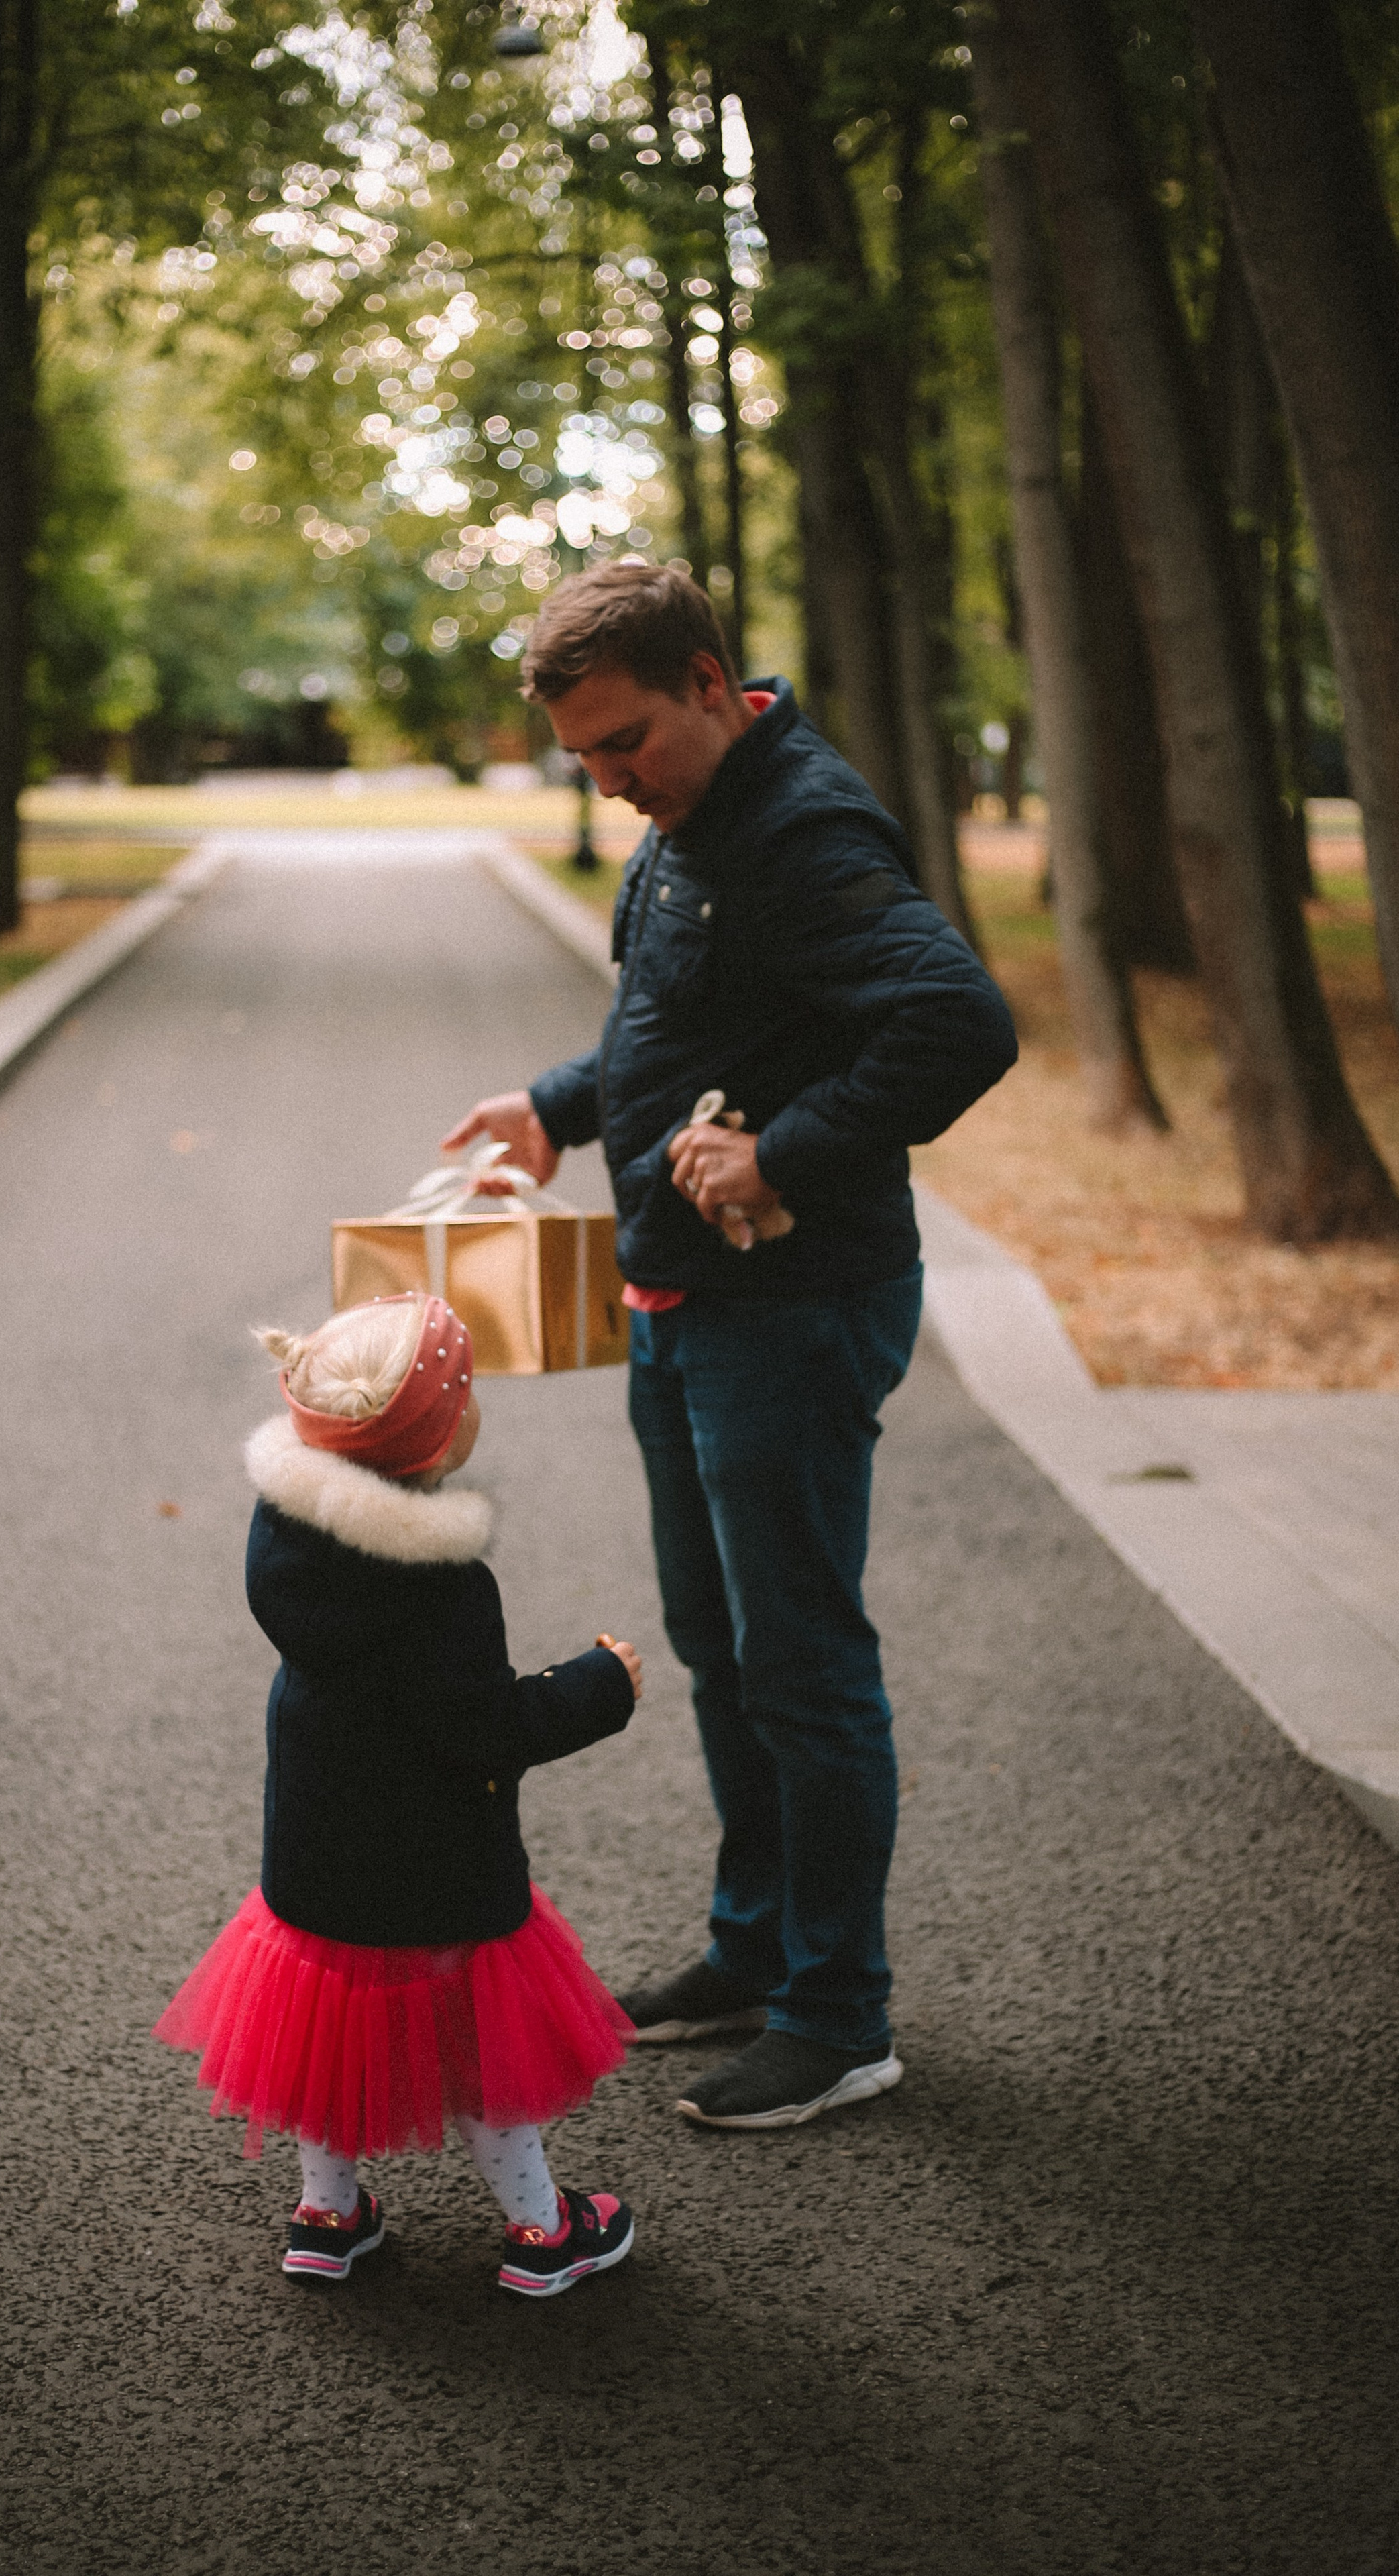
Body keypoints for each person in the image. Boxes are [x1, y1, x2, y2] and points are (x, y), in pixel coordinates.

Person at [443, 561, 1017, 2133]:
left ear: (709, 683)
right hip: (679, 1302)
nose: (608, 781)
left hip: (791, 1306)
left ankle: (840, 2018)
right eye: (581, 759)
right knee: (718, 1647)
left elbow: (960, 1020)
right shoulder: (688, 825)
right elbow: (678, 1027)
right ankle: (756, 1951)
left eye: (625, 742)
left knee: (802, 1665)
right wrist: (555, 1108)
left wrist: (788, 1151)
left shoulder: (800, 831)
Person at [154, 1291, 642, 2298]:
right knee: (478, 2049)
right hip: (435, 1865)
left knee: (328, 2035)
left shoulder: (285, 1536)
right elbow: (482, 1732)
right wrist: (595, 1687)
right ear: (439, 1436)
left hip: (320, 1848)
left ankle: (329, 2219)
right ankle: (545, 2234)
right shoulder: (441, 1584)